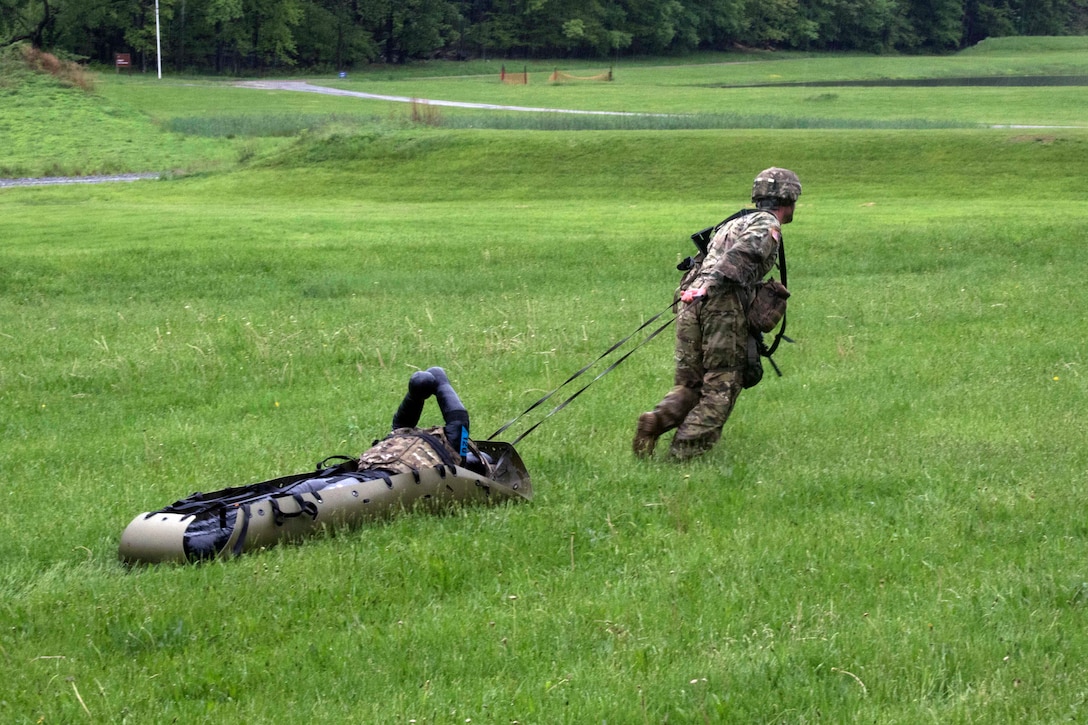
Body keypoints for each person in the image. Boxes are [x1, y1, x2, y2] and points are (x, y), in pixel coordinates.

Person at [632, 167, 802, 461]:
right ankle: (681, 458)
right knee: (722, 386)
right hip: (721, 308)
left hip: (691, 303)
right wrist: (712, 286)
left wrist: (699, 289)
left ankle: (656, 420)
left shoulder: (734, 221)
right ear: (789, 199)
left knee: (691, 383)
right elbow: (744, 254)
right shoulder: (766, 225)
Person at [358, 366, 491, 475]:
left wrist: (434, 385)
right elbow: (459, 421)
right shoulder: (452, 454)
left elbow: (460, 421)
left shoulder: (453, 454)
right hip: (376, 467)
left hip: (375, 468)